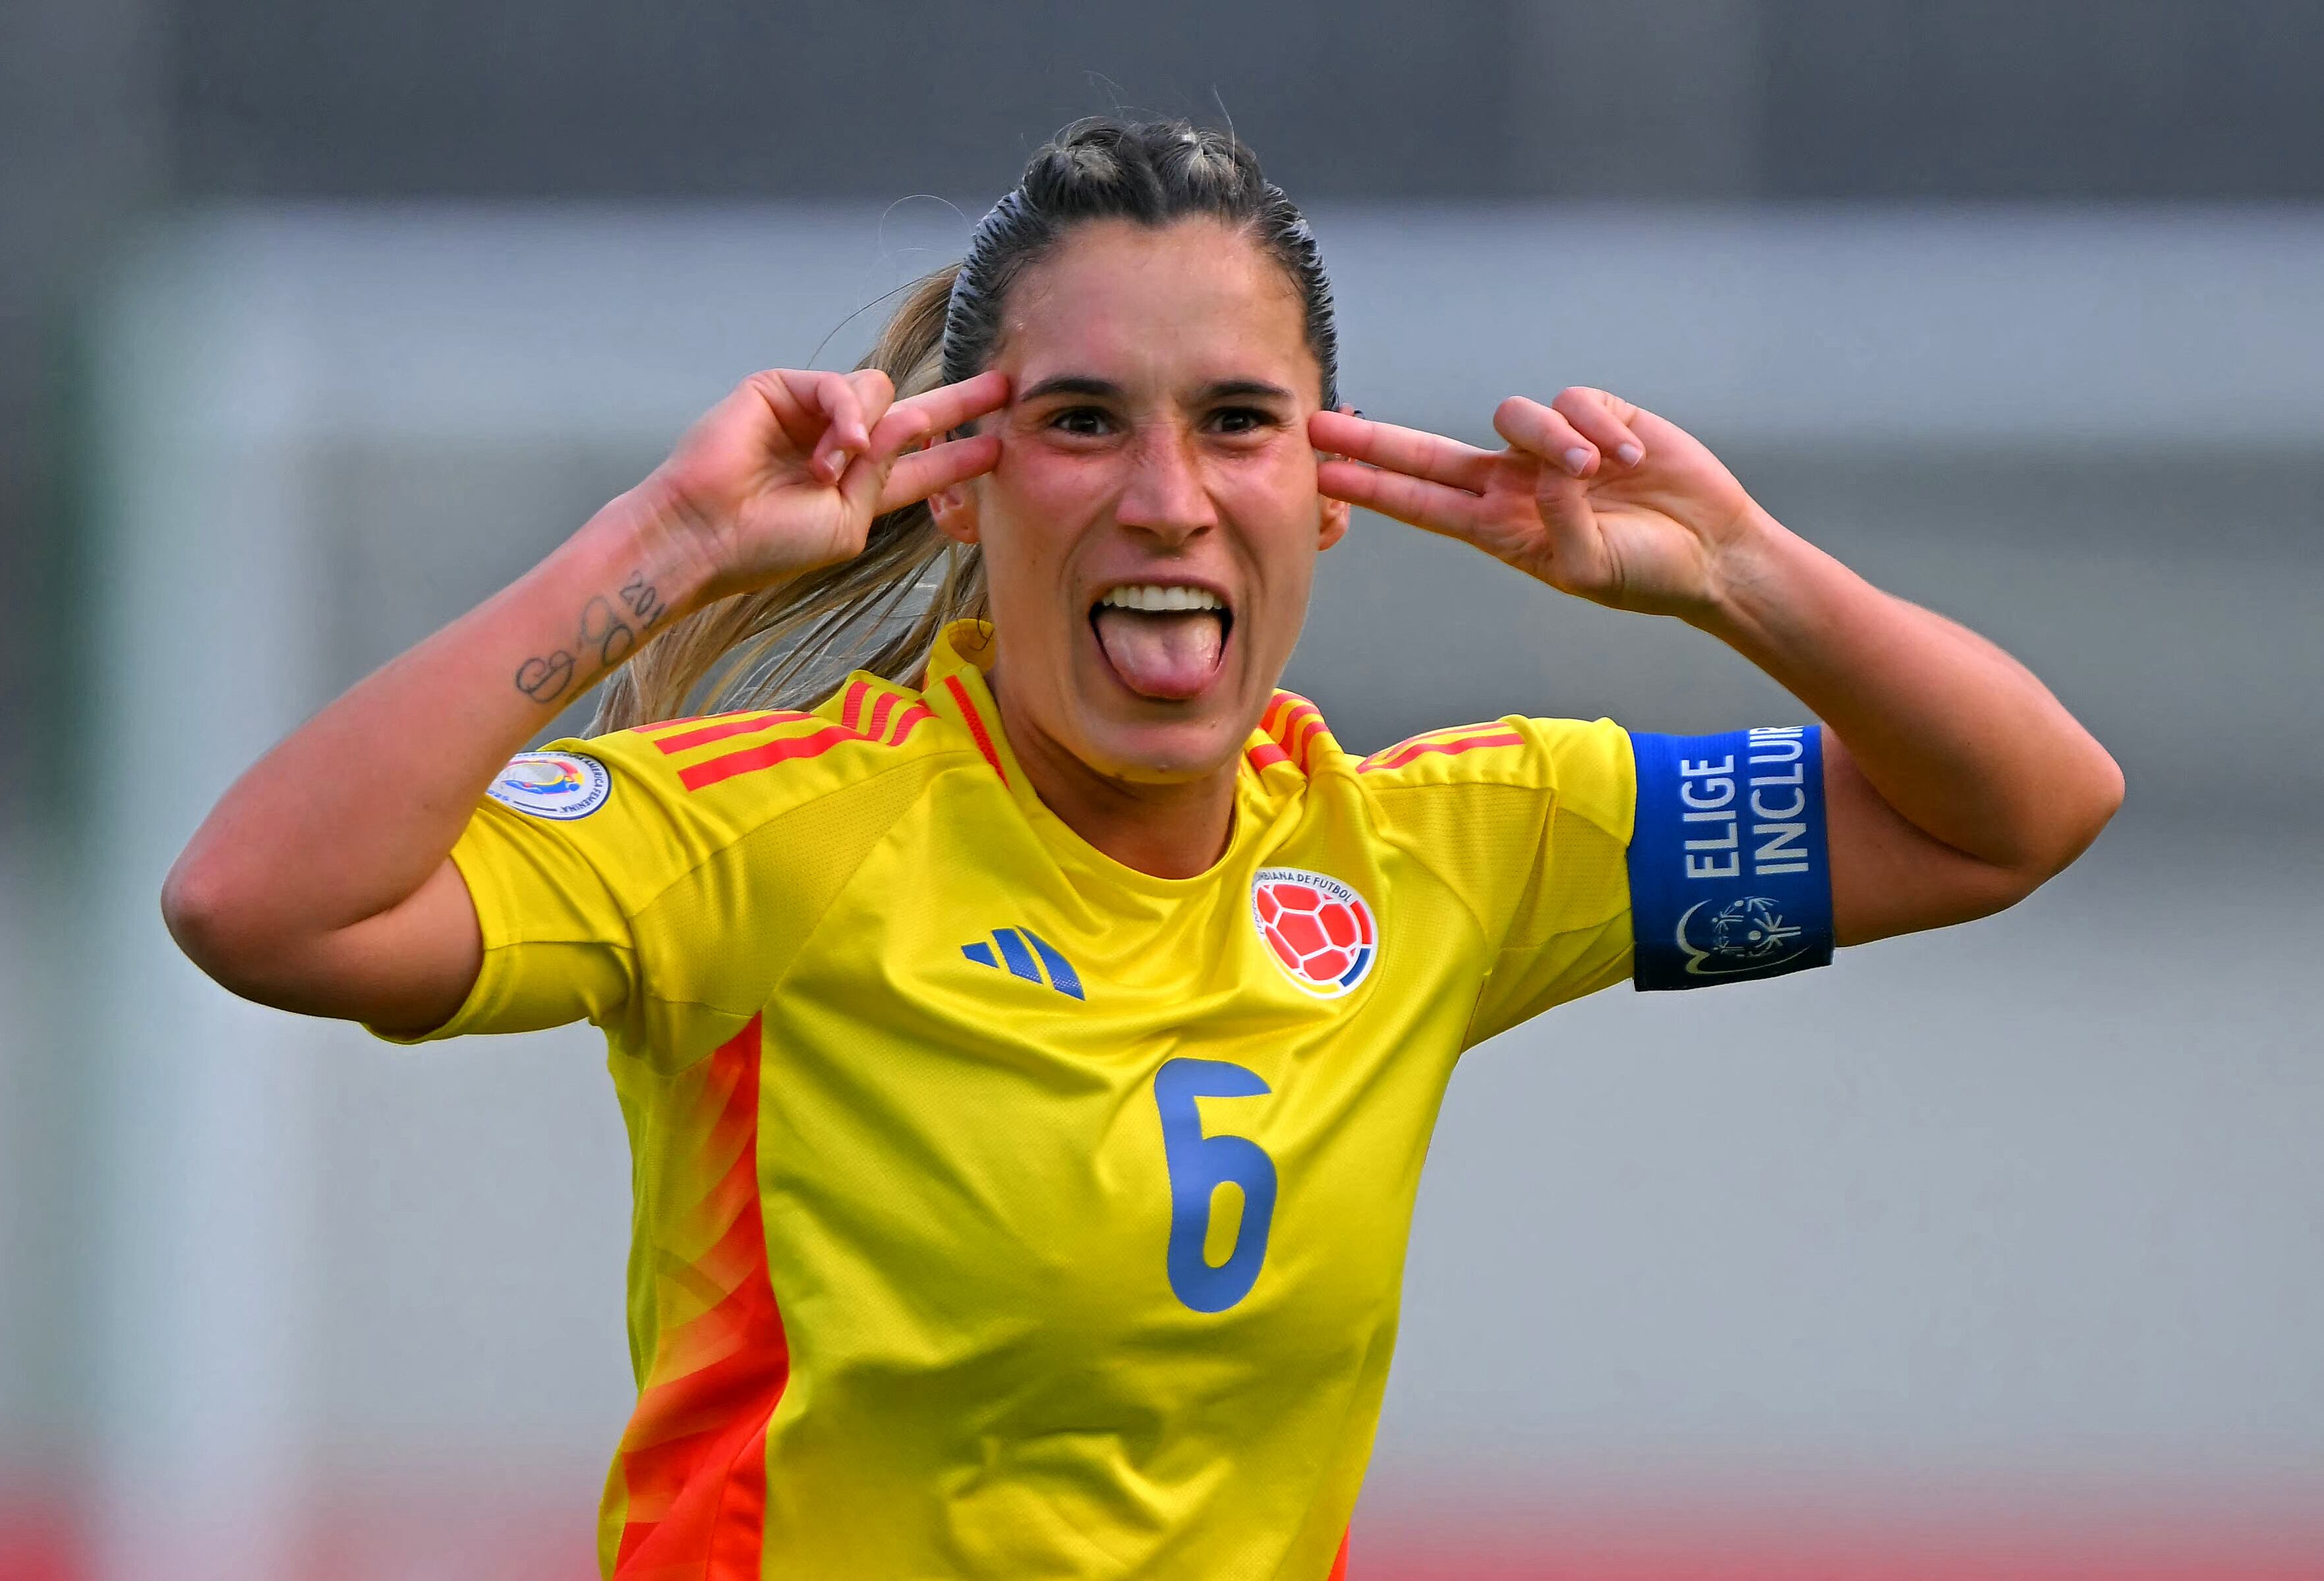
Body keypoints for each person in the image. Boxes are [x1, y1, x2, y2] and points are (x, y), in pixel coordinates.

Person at [161, 118, 2123, 1580]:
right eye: (1086, 421)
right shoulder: (774, 834)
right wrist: (654, 554)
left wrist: (1740, 574)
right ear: (959, 480)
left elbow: (2022, 811)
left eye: (1239, 422)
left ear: (1330, 486)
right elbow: (259, 904)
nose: (1170, 498)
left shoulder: (1446, 852)